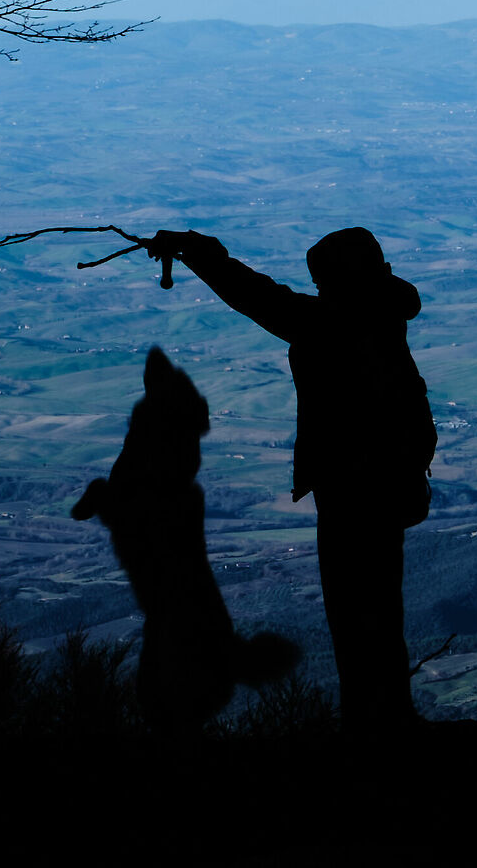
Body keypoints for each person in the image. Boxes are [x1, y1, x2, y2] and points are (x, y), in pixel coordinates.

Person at [146, 226, 435, 732]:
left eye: (323, 281)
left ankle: (373, 726)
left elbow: (255, 296)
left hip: (354, 488)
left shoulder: (335, 323)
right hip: (390, 481)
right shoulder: (383, 309)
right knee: (380, 609)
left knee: (354, 614)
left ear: (338, 279)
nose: (318, 289)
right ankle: (388, 717)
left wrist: (196, 249)